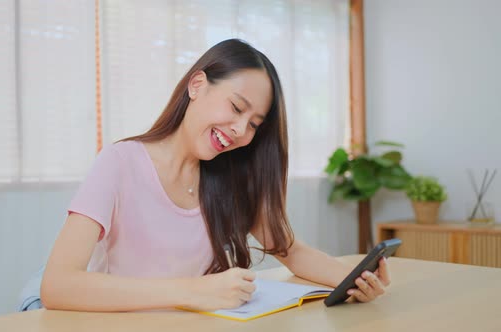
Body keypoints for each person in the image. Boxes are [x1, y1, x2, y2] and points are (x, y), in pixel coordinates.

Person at [39, 39, 390, 312]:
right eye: (236, 107)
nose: (240, 130)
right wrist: (192, 291)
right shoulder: (119, 162)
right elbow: (57, 285)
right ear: (197, 85)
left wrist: (355, 278)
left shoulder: (230, 179)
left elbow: (292, 252)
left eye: (254, 124)